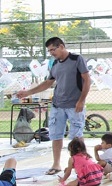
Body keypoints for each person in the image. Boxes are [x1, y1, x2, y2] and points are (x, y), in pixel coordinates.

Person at [16, 37, 90, 175]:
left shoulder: (76, 59)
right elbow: (48, 82)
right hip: (57, 105)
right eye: (49, 50)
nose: (51, 53)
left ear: (61, 46)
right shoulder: (55, 63)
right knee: (56, 134)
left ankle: (80, 163)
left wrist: (81, 100)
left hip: (74, 105)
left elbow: (87, 80)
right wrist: (28, 92)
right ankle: (56, 164)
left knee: (76, 136)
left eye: (53, 49)